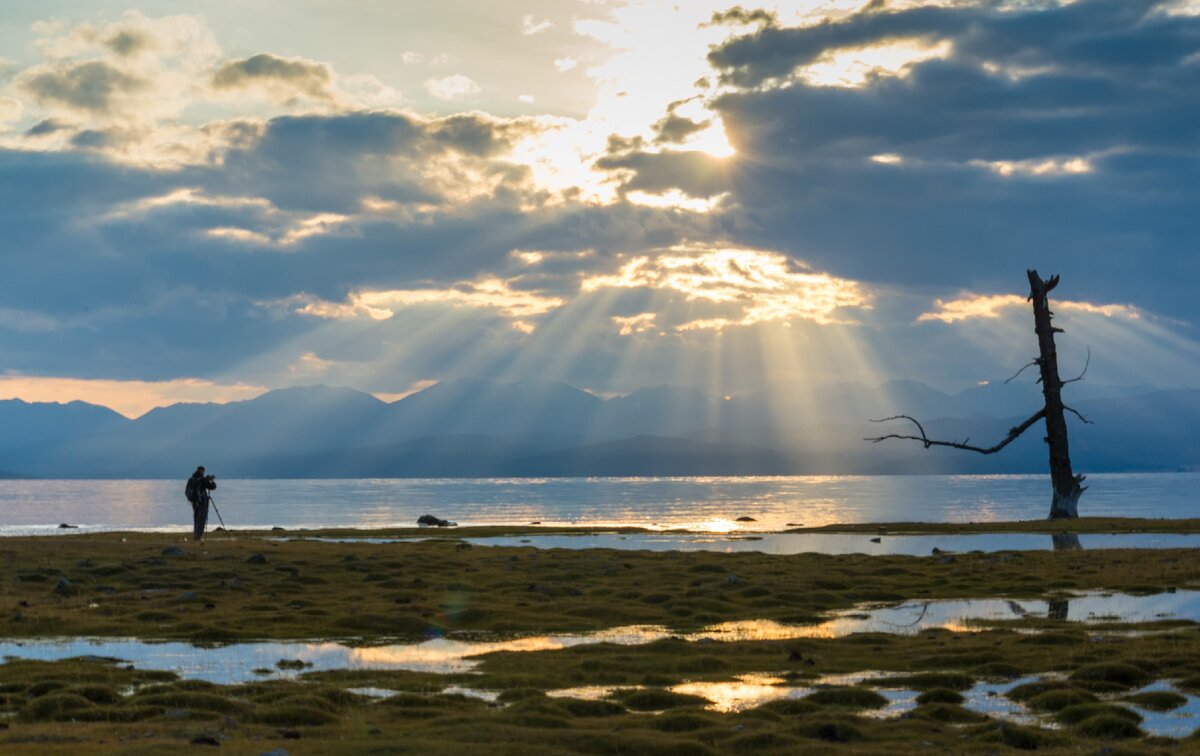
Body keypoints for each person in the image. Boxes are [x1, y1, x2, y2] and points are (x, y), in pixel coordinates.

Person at [185, 466, 217, 541]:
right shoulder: (202, 479)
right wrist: (211, 480)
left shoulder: (191, 479)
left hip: (194, 502)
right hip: (202, 502)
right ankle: (198, 535)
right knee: (202, 518)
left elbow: (186, 491)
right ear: (202, 471)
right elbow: (212, 487)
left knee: (196, 518)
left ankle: (195, 533)